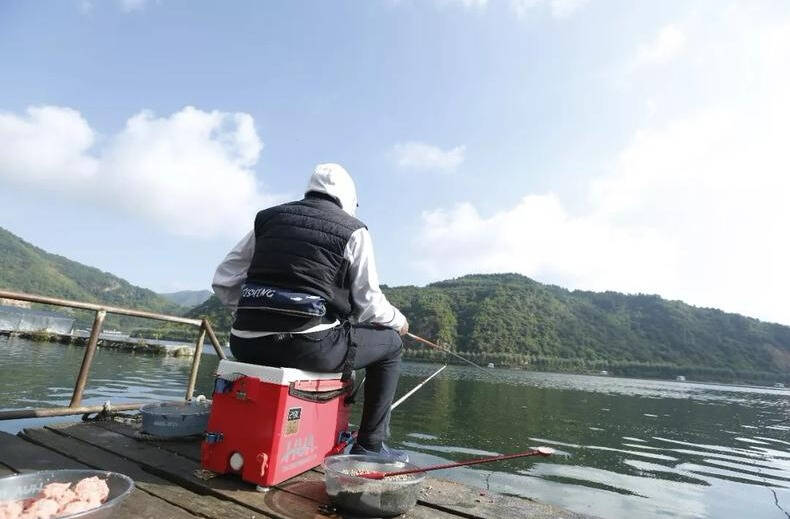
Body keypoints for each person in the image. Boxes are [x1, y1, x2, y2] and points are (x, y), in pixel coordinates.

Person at [212, 163, 409, 462]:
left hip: (245, 343)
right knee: (392, 345)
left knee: (339, 336)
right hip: (306, 348)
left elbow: (223, 280)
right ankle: (370, 446)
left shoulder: (268, 219)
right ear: (348, 199)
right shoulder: (353, 229)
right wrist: (400, 322)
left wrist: (256, 313)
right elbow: (369, 305)